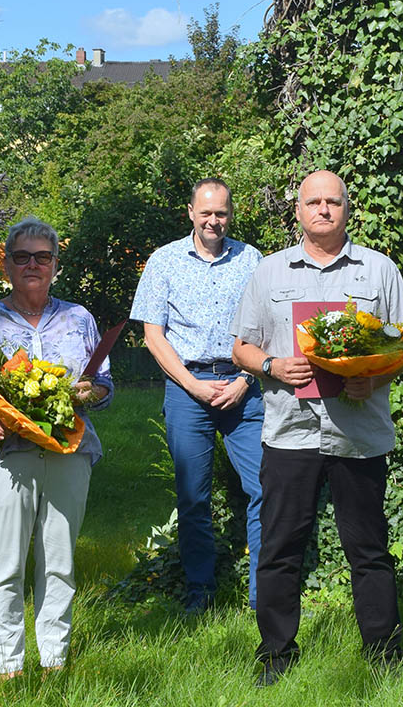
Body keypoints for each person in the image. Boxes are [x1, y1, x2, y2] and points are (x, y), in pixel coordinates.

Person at [232, 170, 403, 686]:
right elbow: (241, 347)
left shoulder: (378, 271)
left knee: (369, 548)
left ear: (346, 208)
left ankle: (383, 655)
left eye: (332, 202)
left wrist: (373, 376)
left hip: (357, 432)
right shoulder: (269, 273)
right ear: (297, 211)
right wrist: (271, 365)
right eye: (312, 202)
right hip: (290, 432)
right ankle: (275, 655)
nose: (323, 210)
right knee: (279, 548)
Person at [0, 216, 114, 679]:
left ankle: (54, 661)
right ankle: (9, 666)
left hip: (68, 453)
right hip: (7, 457)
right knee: (5, 566)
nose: (32, 265)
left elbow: (103, 384)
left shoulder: (78, 318)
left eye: (42, 257)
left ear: (55, 265)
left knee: (59, 563)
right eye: (22, 257)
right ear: (7, 264)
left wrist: (89, 393)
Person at [130, 177, 264, 613]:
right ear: (190, 212)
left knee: (265, 486)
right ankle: (199, 592)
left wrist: (245, 382)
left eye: (221, 213)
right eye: (205, 212)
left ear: (230, 214)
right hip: (188, 388)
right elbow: (153, 335)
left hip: (244, 387)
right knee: (193, 495)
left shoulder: (253, 260)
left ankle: (265, 594)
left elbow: (270, 329)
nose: (213, 220)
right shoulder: (164, 261)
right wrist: (193, 386)